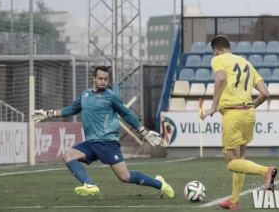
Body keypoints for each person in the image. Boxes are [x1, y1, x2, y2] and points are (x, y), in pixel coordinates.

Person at [32, 66, 174, 198]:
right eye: (100, 78)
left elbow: (127, 114)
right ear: (94, 78)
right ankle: (90, 185)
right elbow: (71, 109)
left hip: (108, 143)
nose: (104, 82)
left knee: (125, 177)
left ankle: (160, 183)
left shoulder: (111, 96)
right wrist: (49, 114)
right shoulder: (85, 95)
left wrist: (143, 131)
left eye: (106, 79)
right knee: (67, 155)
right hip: (91, 144)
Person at [201, 35, 277, 210]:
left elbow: (220, 78)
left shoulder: (218, 59)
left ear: (215, 50)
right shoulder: (246, 64)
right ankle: (234, 200)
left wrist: (213, 106)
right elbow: (265, 92)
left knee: (231, 162)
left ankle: (266, 171)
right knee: (240, 158)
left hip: (232, 114)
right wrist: (252, 106)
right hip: (248, 114)